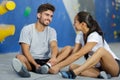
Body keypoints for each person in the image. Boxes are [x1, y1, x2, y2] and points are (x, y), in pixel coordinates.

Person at [49, 11, 120, 79]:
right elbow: (74, 54)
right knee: (72, 66)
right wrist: (56, 65)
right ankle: (102, 75)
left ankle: (74, 73)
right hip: (99, 67)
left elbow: (78, 55)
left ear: (83, 24)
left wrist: (58, 66)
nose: (74, 24)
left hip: (113, 66)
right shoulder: (80, 35)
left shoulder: (94, 35)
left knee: (101, 50)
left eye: (75, 22)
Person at [12, 3, 72, 77]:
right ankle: (25, 70)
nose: (49, 18)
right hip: (31, 60)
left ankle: (48, 67)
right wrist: (35, 64)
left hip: (46, 61)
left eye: (51, 16)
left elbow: (54, 46)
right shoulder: (27, 29)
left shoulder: (52, 31)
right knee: (19, 57)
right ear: (39, 15)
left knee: (68, 48)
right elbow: (25, 51)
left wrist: (53, 58)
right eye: (46, 15)